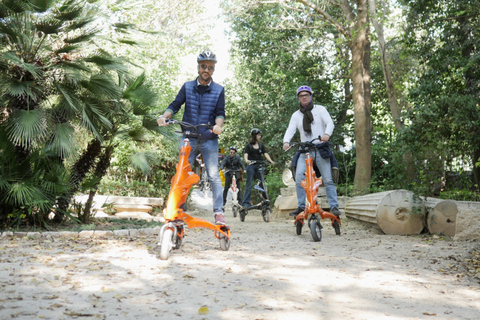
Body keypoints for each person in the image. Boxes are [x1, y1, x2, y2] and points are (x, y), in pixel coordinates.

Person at [157, 50, 227, 225]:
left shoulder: (219, 90)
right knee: (182, 173)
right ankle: (178, 209)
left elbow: (220, 113)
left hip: (208, 138)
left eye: (210, 68)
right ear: (198, 67)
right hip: (188, 136)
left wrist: (218, 126)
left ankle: (218, 212)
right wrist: (165, 116)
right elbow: (175, 104)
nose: (206, 70)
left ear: (213, 70)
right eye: (204, 66)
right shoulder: (187, 86)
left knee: (213, 176)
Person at [282, 85, 342, 218]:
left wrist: (327, 134)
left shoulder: (320, 110)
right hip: (305, 151)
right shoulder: (296, 115)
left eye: (306, 95)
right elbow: (290, 129)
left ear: (311, 96)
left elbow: (330, 123)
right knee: (298, 178)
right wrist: (286, 141)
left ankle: (334, 207)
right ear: (298, 98)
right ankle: (301, 206)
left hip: (320, 149)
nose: (304, 98)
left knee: (328, 179)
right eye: (301, 96)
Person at [241, 128, 275, 208]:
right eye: (258, 135)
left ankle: (264, 201)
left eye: (260, 135)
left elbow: (265, 153)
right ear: (254, 136)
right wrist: (247, 160)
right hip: (251, 165)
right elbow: (246, 154)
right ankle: (246, 203)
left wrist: (270, 160)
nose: (260, 137)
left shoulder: (261, 145)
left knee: (262, 183)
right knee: (249, 184)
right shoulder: (248, 146)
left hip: (259, 165)